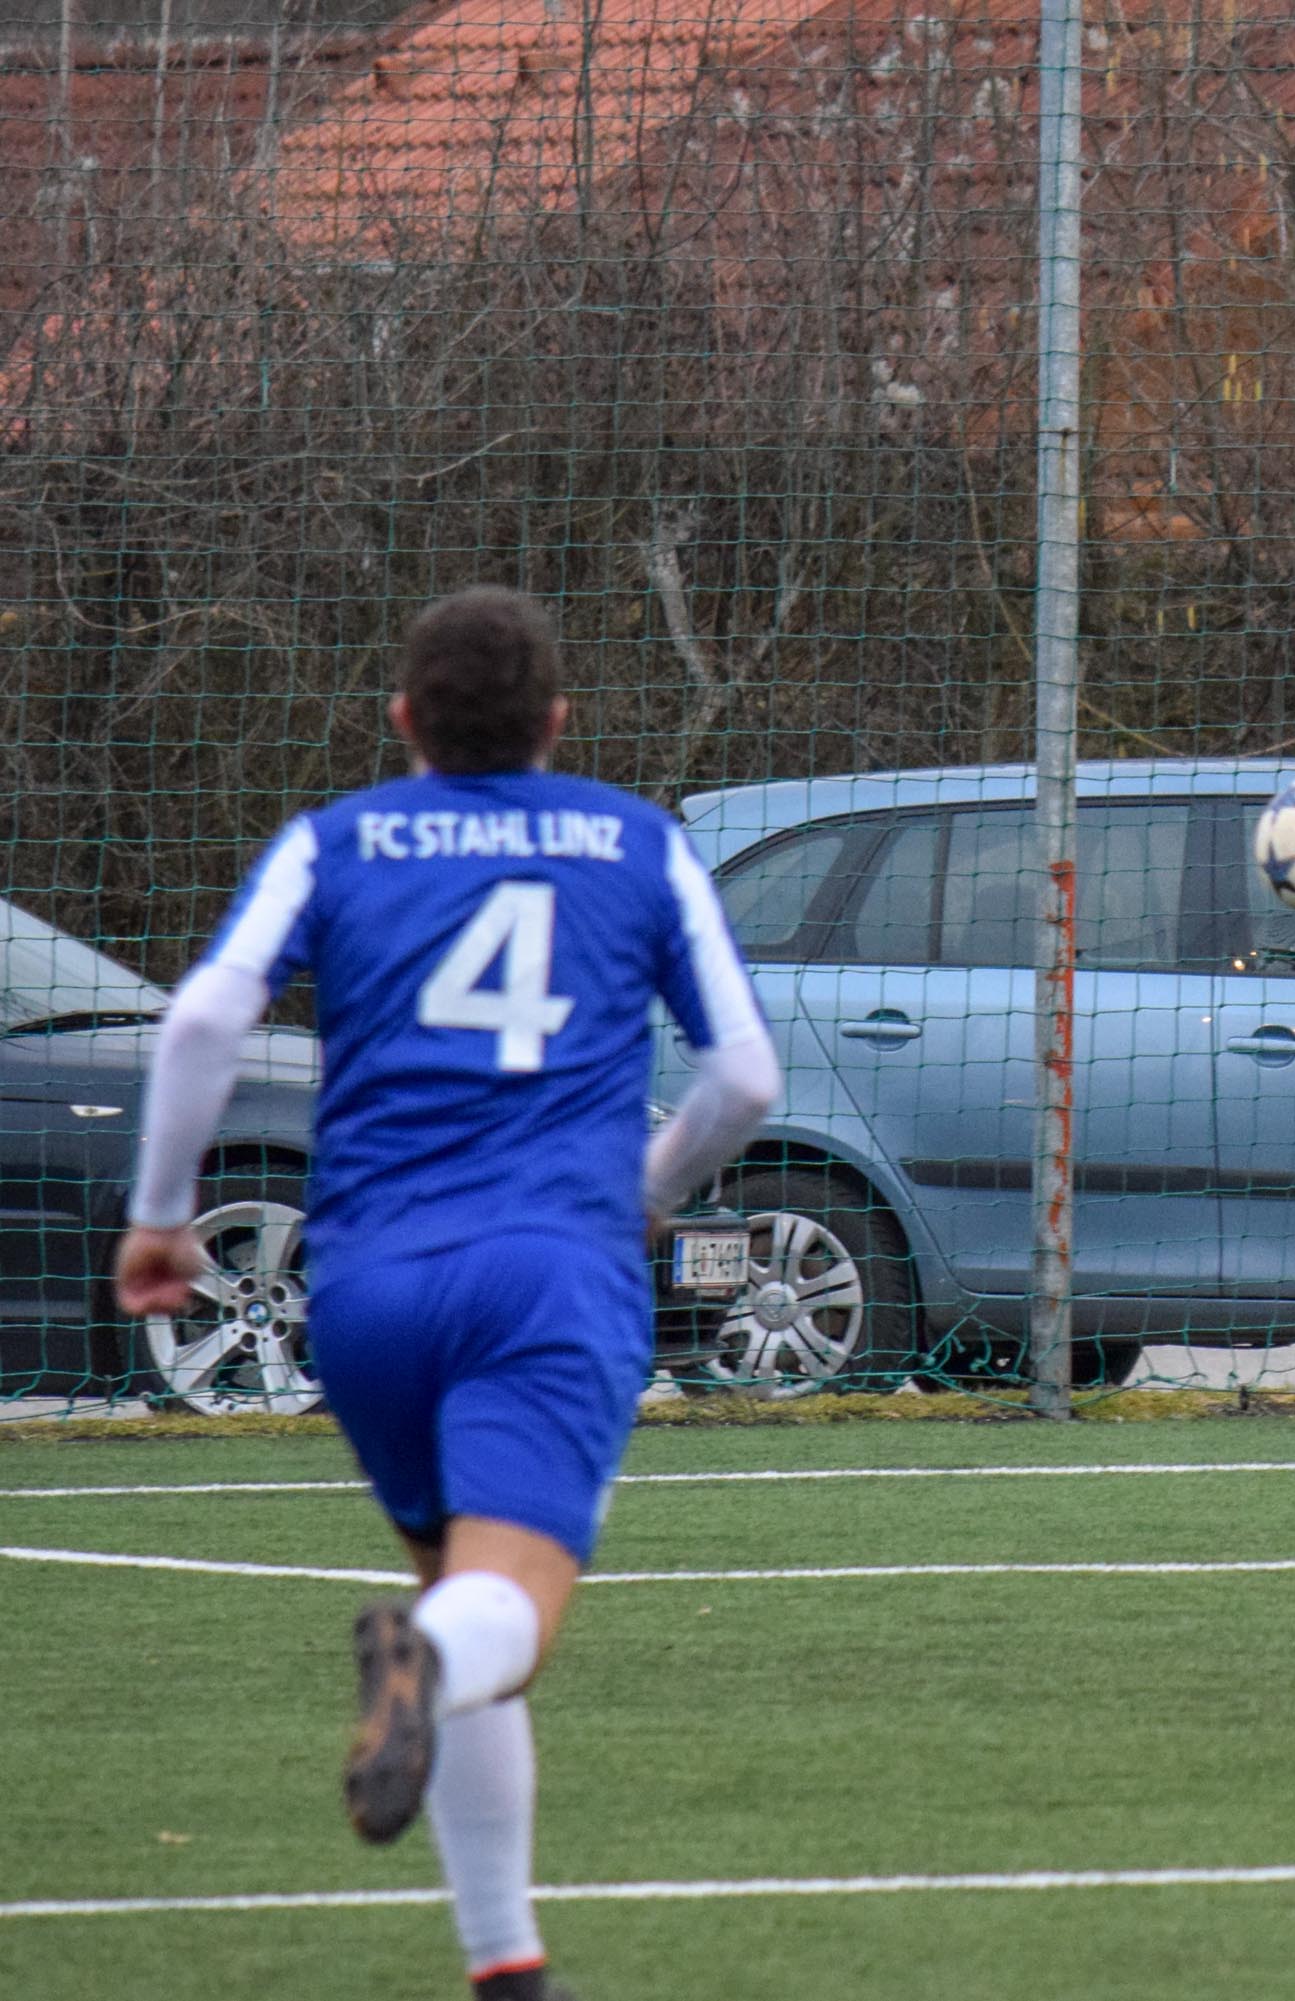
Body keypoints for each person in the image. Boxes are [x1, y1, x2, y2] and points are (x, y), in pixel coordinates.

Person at [116, 587, 782, 2001]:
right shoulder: (638, 842)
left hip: (366, 1286)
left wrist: (162, 1215)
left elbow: (206, 1016)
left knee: (466, 1600)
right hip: (548, 1275)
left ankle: (505, 1963)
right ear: (558, 721)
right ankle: (417, 1658)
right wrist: (648, 1193)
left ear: (404, 718)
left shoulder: (335, 840)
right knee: (500, 1618)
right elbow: (744, 1079)